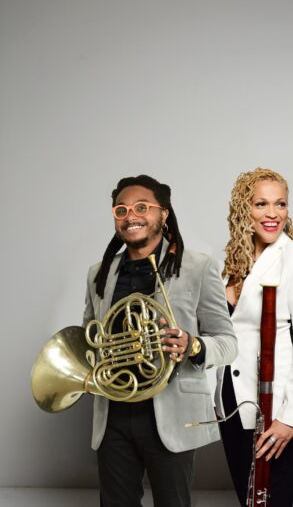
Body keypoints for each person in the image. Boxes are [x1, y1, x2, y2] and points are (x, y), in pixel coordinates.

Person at [83, 174, 238, 507]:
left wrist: (193, 346)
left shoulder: (198, 267)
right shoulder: (99, 272)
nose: (131, 216)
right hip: (113, 413)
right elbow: (88, 338)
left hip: (170, 414)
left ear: (163, 213)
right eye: (121, 210)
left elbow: (227, 342)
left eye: (142, 207)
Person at [214, 168, 293, 507]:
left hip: (275, 408)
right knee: (247, 501)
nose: (272, 214)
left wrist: (290, 419)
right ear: (243, 209)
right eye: (261, 204)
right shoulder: (232, 262)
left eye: (281, 204)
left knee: (272, 502)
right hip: (231, 402)